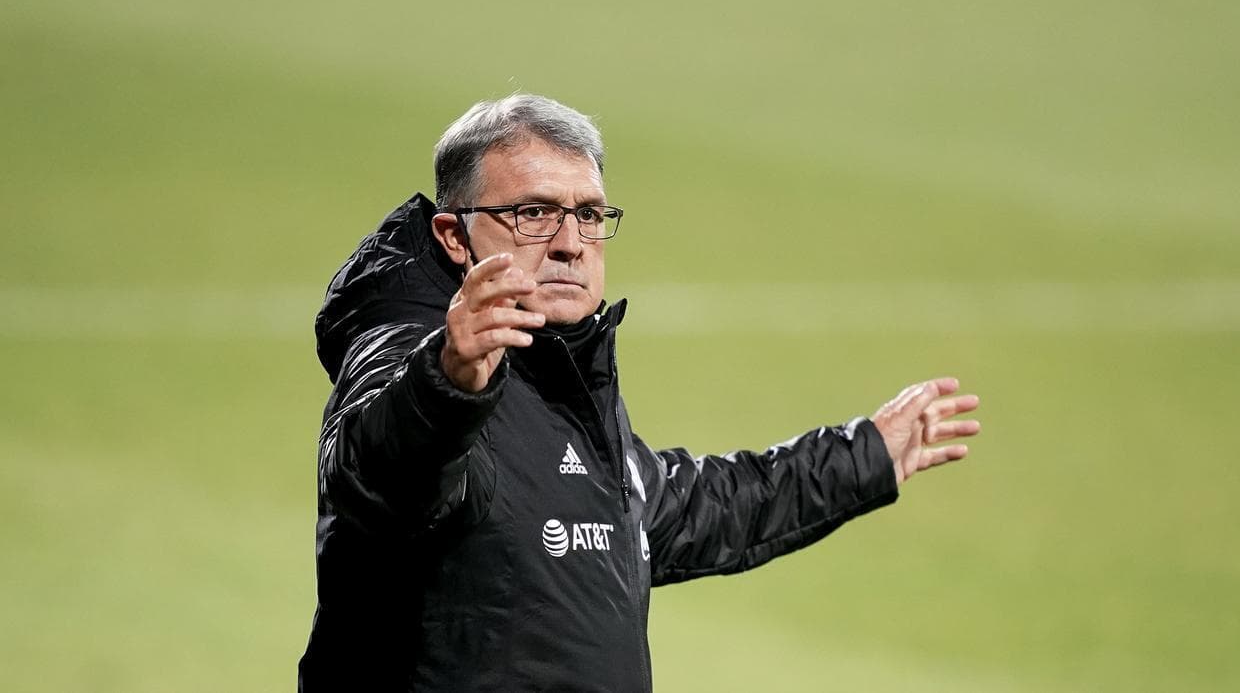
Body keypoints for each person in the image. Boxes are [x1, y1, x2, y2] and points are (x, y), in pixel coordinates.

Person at [298, 94, 981, 691]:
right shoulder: (409, 351)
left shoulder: (559, 376)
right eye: (534, 212)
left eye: (589, 215)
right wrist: (447, 380)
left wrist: (867, 454)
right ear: (454, 235)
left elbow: (685, 507)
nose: (571, 243)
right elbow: (377, 475)